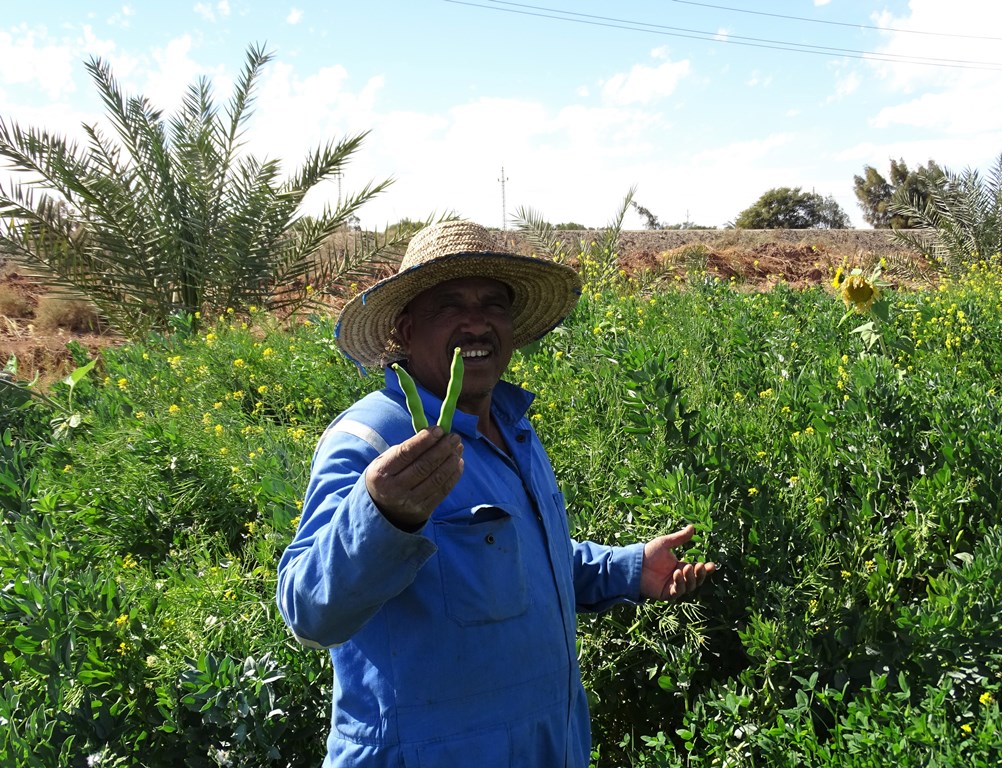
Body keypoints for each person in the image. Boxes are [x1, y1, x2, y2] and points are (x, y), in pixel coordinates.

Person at [276, 219, 715, 767]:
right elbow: (307, 610)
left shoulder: (513, 428)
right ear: (407, 331)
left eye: (494, 305)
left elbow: (521, 564)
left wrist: (628, 569)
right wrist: (381, 514)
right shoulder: (371, 440)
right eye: (450, 305)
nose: (477, 323)